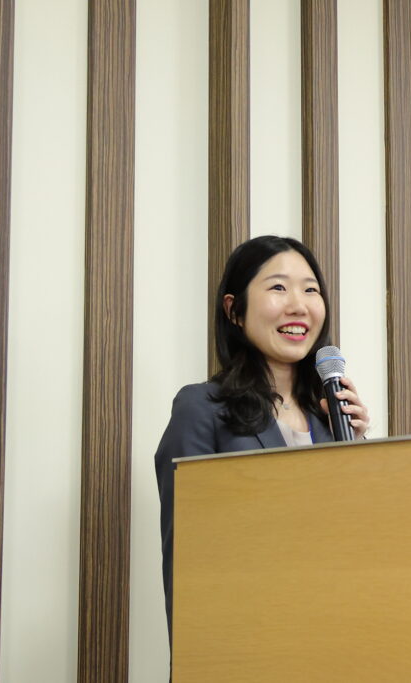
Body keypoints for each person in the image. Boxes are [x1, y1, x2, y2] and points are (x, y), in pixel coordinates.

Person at [154, 235, 370, 637]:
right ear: (234, 311)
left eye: (311, 290)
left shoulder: (330, 420)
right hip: (246, 643)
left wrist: (356, 452)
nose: (299, 305)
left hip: (333, 641)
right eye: (277, 287)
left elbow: (358, 551)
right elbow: (188, 559)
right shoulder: (202, 408)